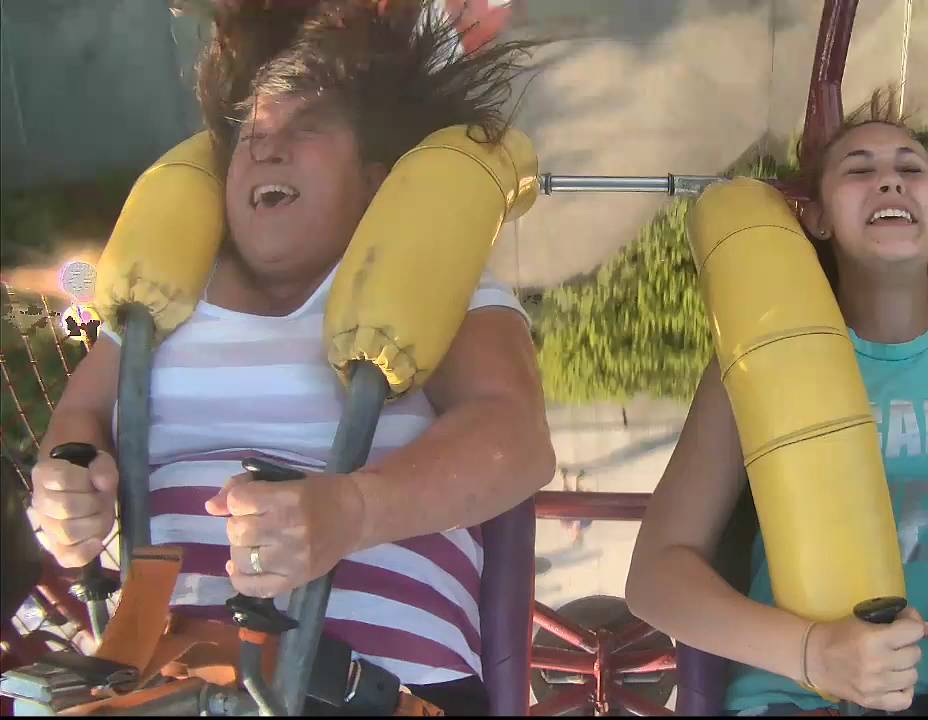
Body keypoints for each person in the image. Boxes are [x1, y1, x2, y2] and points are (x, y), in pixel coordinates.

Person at [26, 2, 554, 715]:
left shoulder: (441, 286)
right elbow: (80, 419)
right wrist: (67, 489)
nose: (267, 148)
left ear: (375, 180)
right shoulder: (162, 300)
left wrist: (349, 511)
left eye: (306, 127)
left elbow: (516, 440)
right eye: (252, 135)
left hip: (374, 688)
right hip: (154, 682)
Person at [625, 88, 928, 716]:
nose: (890, 181)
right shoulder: (751, 365)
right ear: (819, 218)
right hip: (804, 700)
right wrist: (814, 653)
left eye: (911, 169)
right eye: (859, 169)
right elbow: (655, 579)